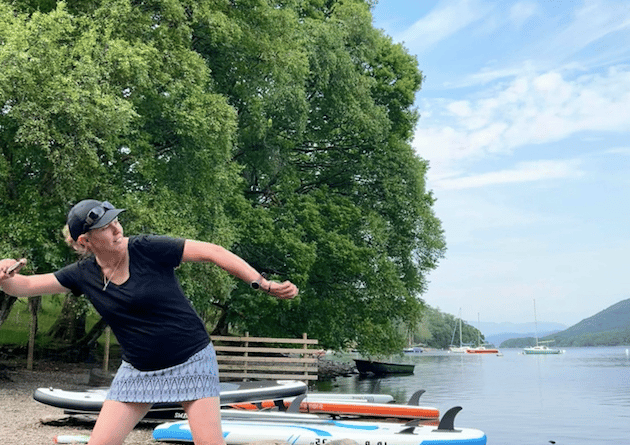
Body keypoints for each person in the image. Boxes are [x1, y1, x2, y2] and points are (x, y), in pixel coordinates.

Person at [0, 199, 299, 445]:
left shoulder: (147, 248)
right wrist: (5, 277)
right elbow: (23, 287)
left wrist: (263, 284)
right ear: (85, 240)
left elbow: (213, 252)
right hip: (138, 371)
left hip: (191, 359)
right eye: (106, 226)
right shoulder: (82, 274)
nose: (117, 228)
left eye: (116, 220)